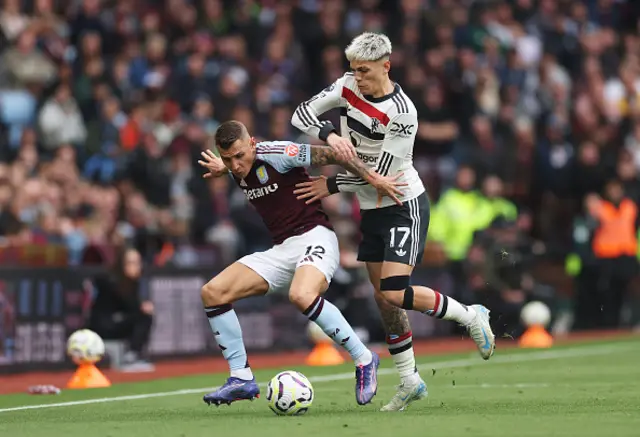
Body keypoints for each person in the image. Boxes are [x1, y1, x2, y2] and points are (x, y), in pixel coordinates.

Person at [292, 32, 496, 412]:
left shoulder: (403, 112)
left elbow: (377, 175)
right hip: (372, 209)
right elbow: (300, 114)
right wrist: (331, 135)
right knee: (383, 301)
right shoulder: (347, 84)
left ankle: (470, 315)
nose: (357, 78)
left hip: (403, 204)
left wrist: (331, 184)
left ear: (386, 66)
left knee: (393, 290)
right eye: (353, 70)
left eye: (365, 71)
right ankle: (409, 380)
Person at [197, 120, 404, 407]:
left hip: (315, 237)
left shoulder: (280, 153)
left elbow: (334, 155)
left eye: (240, 156)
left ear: (253, 144)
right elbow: (233, 164)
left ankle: (364, 358)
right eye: (227, 159)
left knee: (301, 295)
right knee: (212, 292)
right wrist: (223, 167)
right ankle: (241, 377)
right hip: (282, 249)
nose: (235, 165)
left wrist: (368, 180)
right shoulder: (234, 167)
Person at [88, 247, 155, 372]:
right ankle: (131, 357)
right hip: (104, 325)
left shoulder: (133, 283)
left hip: (118, 322)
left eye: (137, 263)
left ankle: (133, 354)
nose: (135, 267)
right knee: (143, 316)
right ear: (121, 264)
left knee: (144, 315)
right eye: (130, 263)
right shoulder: (112, 281)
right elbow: (131, 305)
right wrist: (142, 307)